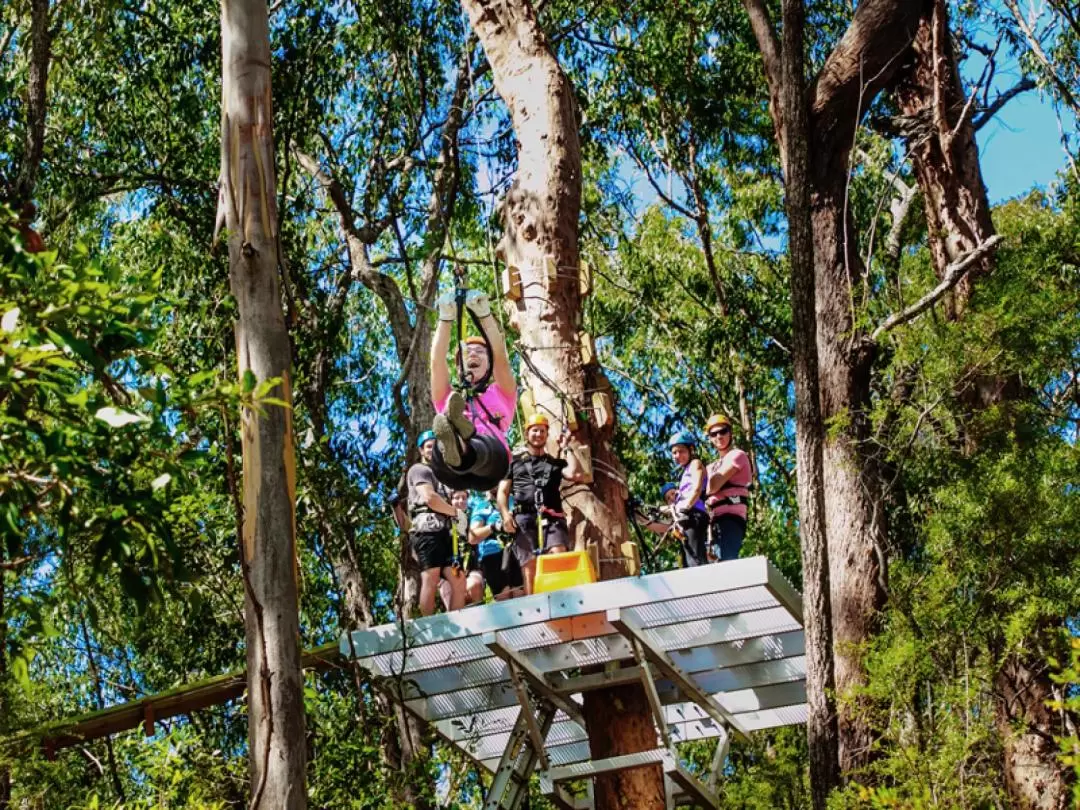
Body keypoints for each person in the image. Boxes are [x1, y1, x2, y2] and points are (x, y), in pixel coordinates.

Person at [429, 287, 516, 491]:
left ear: (489, 363)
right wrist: (445, 319)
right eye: (467, 354)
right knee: (440, 448)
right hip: (450, 472)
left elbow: (501, 358)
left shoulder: (501, 391)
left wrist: (485, 315)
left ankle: (464, 438)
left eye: (480, 352)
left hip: (492, 464)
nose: (473, 355)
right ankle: (458, 438)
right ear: (458, 366)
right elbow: (436, 363)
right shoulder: (449, 396)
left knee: (484, 446)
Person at [498, 413, 584, 594]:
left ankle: (562, 598)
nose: (538, 434)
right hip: (524, 518)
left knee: (558, 554)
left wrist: (566, 447)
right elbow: (503, 491)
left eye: (542, 431)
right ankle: (534, 607)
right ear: (527, 433)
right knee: (529, 565)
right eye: (534, 430)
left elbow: (575, 474)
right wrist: (505, 514)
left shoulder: (555, 463)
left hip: (552, 517)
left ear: (547, 435)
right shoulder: (514, 463)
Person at [407, 430, 467, 616]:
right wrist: (455, 512)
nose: (433, 451)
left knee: (458, 578)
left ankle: (458, 619)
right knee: (431, 576)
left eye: (436, 446)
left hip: (444, 531)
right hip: (426, 530)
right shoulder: (420, 470)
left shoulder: (443, 475)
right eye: (429, 446)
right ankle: (427, 626)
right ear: (421, 450)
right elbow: (429, 498)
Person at [703, 414, 752, 562]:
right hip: (713, 521)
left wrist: (701, 487)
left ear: (730, 433)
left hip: (731, 518)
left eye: (723, 431)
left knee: (727, 562)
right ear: (710, 438)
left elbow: (713, 486)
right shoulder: (711, 466)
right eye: (713, 434)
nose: (719, 436)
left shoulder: (737, 455)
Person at [469, 488, 525, 600]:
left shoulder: (515, 500)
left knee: (520, 594)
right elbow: (472, 537)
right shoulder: (482, 506)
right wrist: (494, 526)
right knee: (504, 596)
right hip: (492, 555)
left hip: (517, 550)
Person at [668, 431, 710, 567]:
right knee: (687, 560)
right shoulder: (684, 472)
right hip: (685, 517)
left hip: (693, 515)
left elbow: (697, 488)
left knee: (695, 559)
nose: (677, 456)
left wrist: (686, 508)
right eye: (674, 453)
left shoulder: (695, 464)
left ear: (691, 450)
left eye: (681, 451)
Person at [439, 490, 485, 608]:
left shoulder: (473, 519)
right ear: (450, 501)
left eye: (464, 498)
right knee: (453, 600)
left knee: (474, 585)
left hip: (471, 568)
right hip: (449, 572)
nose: (461, 501)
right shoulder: (442, 522)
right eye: (457, 498)